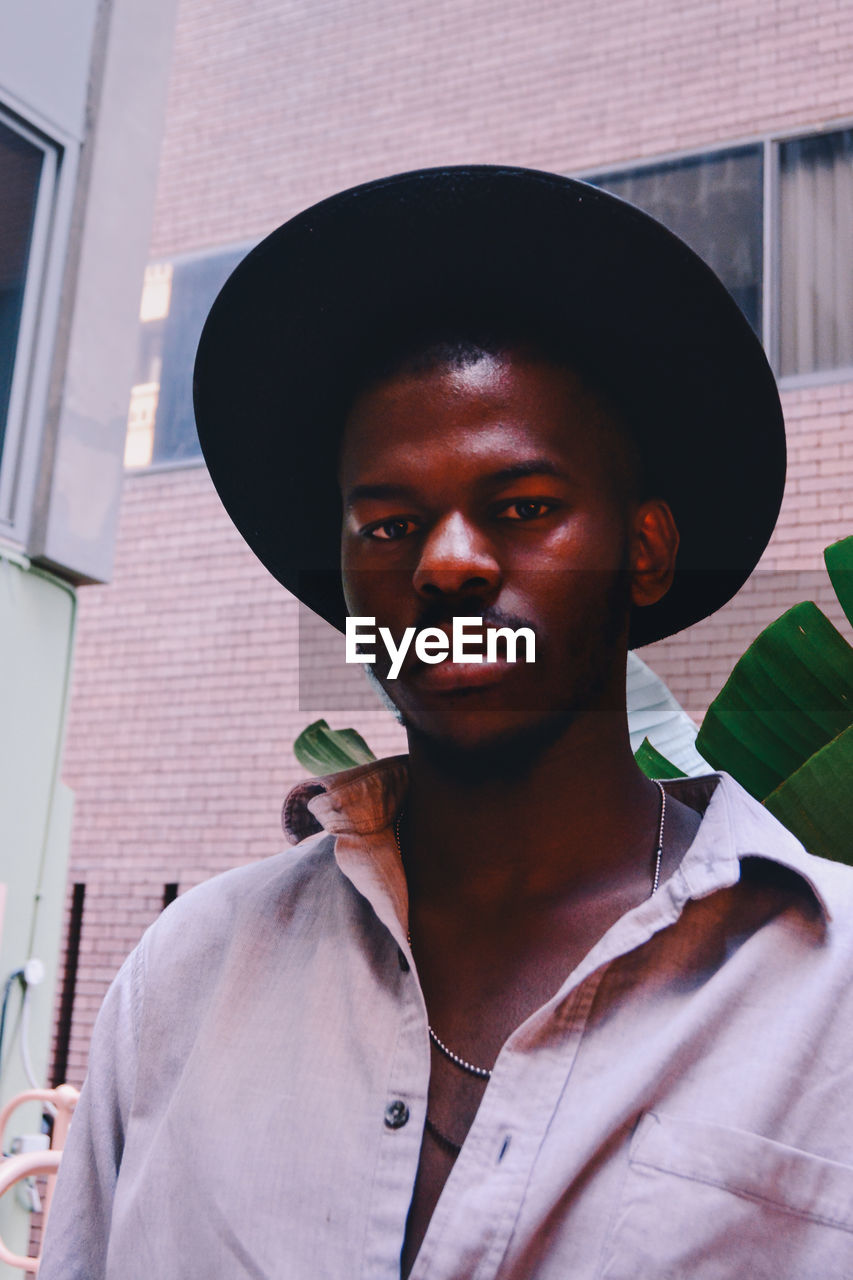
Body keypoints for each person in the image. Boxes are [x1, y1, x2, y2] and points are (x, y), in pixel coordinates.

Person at [41, 167, 853, 1279]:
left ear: (647, 549)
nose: (446, 562)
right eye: (388, 523)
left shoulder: (830, 995)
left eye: (522, 507)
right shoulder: (183, 979)